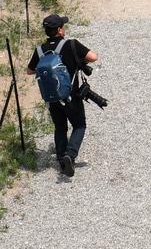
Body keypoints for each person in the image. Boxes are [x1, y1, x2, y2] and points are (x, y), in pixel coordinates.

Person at [26, 13, 99, 179]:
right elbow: (93, 57)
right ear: (59, 30)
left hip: (52, 98)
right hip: (71, 96)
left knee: (60, 127)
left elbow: (30, 70)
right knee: (79, 125)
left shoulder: (40, 50)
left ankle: (60, 158)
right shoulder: (71, 44)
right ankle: (70, 155)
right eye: (62, 26)